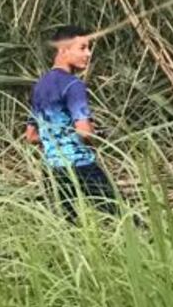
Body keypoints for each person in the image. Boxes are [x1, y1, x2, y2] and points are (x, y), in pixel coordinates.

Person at [24, 25, 118, 219]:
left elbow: (31, 136)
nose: (88, 54)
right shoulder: (74, 85)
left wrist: (55, 139)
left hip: (53, 168)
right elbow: (84, 132)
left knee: (67, 227)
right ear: (64, 49)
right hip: (81, 165)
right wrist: (99, 136)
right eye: (82, 48)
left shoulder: (39, 87)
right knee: (121, 217)